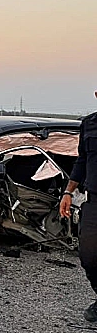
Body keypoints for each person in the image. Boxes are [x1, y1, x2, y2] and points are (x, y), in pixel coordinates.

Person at [60, 92, 97, 321]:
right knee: (89, 255)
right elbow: (81, 160)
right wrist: (68, 192)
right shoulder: (89, 124)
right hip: (94, 200)